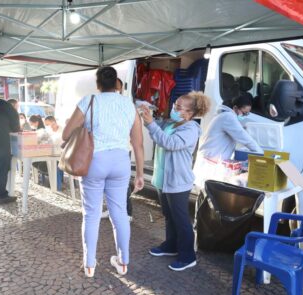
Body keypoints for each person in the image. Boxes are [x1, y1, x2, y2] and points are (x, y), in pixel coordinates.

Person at [63, 66, 144, 278]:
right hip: (120, 161)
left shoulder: (88, 101)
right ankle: (123, 262)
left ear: (98, 84)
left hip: (94, 161)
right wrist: (141, 174)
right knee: (119, 214)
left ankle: (89, 265)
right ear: (117, 83)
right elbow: (138, 143)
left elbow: (65, 134)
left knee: (91, 214)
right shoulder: (129, 105)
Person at [140, 91, 210, 272]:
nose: (174, 108)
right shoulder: (173, 123)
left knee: (180, 220)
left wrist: (151, 124)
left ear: (190, 113)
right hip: (164, 179)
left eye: (179, 107)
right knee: (169, 215)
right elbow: (159, 135)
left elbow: (170, 143)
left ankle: (188, 256)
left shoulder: (190, 129)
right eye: (174, 105)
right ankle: (171, 246)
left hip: (178, 182)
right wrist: (151, 120)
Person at [194, 94, 263, 191]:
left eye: (247, 114)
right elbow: (245, 138)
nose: (243, 116)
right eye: (244, 113)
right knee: (208, 197)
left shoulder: (225, 116)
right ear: (235, 107)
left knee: (209, 196)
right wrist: (261, 154)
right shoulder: (228, 117)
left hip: (212, 160)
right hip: (210, 164)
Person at [101, 77, 134, 221]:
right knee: (108, 182)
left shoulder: (125, 105)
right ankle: (111, 209)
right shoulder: (102, 104)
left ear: (119, 89)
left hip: (122, 149)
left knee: (123, 184)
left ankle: (127, 213)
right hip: (105, 150)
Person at [44, 116, 64, 191]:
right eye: (47, 125)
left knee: (54, 164)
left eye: (48, 124)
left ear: (54, 122)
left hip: (62, 153)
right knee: (49, 162)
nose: (48, 126)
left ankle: (57, 187)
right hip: (52, 153)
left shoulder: (63, 130)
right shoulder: (49, 131)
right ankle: (54, 184)